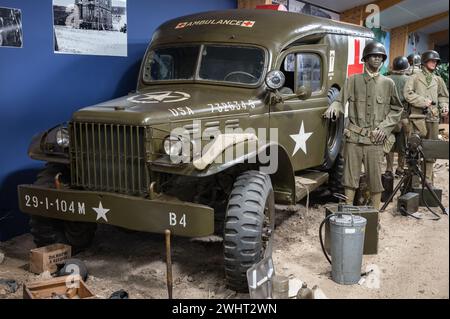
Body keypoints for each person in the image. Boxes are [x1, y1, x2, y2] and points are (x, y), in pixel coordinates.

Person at [324, 41, 403, 210]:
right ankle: (346, 212)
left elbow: (397, 109)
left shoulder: (388, 83)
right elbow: (340, 100)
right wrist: (335, 106)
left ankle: (374, 217)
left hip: (375, 139)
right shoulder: (353, 81)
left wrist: (385, 128)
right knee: (349, 179)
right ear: (365, 58)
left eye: (380, 57)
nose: (377, 59)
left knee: (375, 180)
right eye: (373, 56)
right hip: (354, 138)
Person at [404, 50, 449, 184]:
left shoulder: (438, 79)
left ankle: (428, 179)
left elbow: (443, 96)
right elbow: (407, 93)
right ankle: (414, 179)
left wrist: (444, 106)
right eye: (432, 60)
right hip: (418, 118)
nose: (434, 63)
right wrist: (423, 101)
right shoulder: (414, 78)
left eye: (436, 61)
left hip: (433, 118)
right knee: (415, 148)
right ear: (424, 62)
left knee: (431, 149)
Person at [385, 56, 411, 177]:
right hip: (404, 117)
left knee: (389, 144)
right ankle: (400, 169)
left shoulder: (386, 79)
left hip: (389, 117)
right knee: (403, 145)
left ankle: (389, 169)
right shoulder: (409, 80)